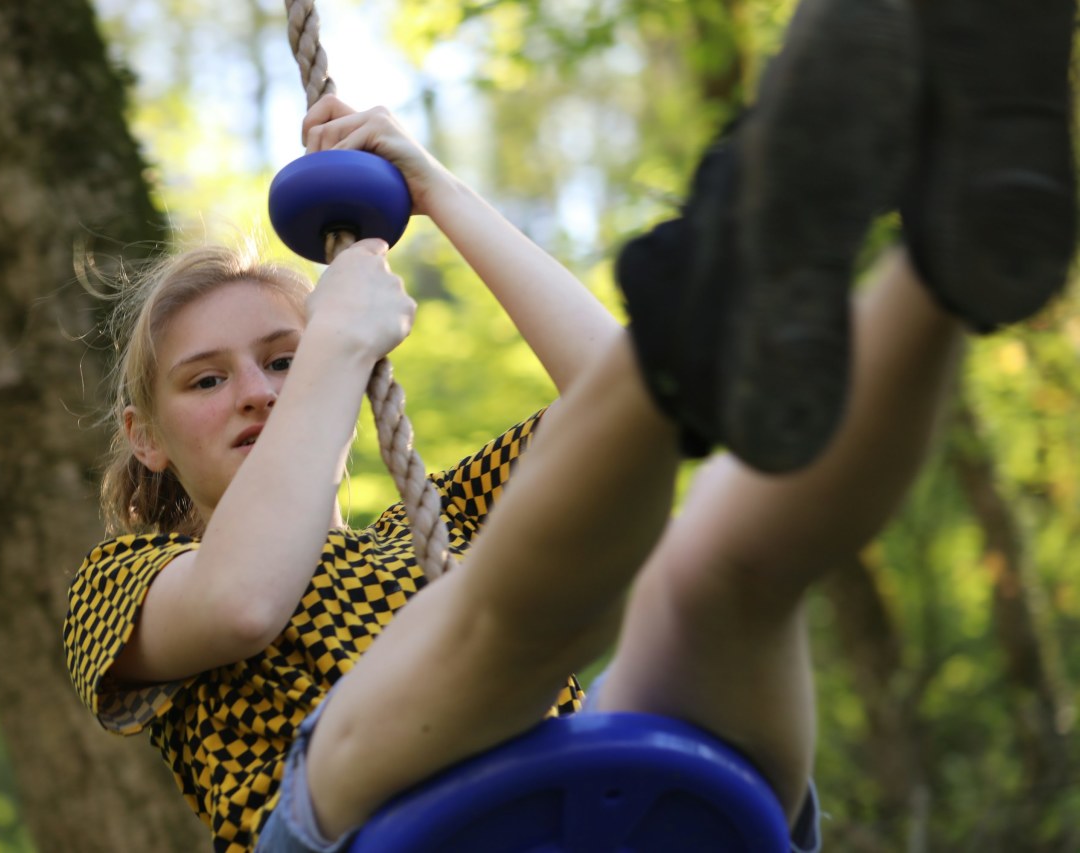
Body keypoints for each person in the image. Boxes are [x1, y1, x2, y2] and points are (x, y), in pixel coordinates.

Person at [63, 0, 1076, 849]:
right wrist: (330, 344)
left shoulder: (429, 526)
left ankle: (954, 240)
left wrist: (438, 192)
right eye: (205, 380)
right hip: (366, 825)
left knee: (717, 565)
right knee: (514, 618)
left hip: (605, 817)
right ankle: (768, 241)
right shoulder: (124, 584)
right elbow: (244, 600)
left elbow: (622, 390)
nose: (256, 390)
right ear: (143, 435)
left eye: (281, 358)